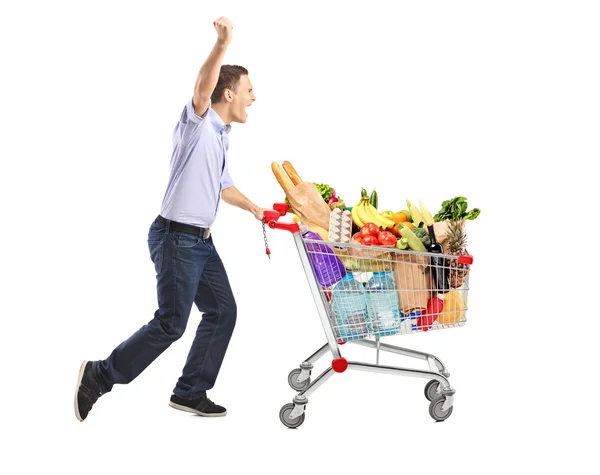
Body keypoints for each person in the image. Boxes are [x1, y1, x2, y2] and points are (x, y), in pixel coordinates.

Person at [74, 16, 270, 421]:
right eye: (249, 91)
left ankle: (190, 391)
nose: (255, 98)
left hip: (200, 242)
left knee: (222, 311)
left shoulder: (221, 136)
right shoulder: (199, 123)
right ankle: (98, 375)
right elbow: (202, 89)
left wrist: (253, 207)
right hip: (176, 240)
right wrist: (222, 44)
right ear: (228, 93)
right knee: (170, 323)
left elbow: (222, 185)